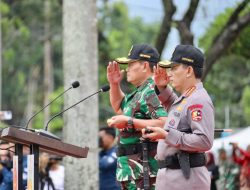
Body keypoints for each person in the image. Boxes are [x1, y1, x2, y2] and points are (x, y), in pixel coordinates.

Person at [142, 44, 215, 190]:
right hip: (175, 177)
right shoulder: (188, 97)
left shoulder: (198, 100)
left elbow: (204, 140)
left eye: (174, 68)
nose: (169, 74)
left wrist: (167, 135)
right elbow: (177, 116)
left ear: (189, 70)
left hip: (185, 179)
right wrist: (162, 88)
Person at [107, 44, 168, 189]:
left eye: (131, 64)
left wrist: (129, 122)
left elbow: (165, 123)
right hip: (134, 171)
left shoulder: (152, 91)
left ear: (145, 65)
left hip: (145, 172)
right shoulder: (140, 91)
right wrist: (114, 84)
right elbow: (118, 106)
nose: (127, 68)